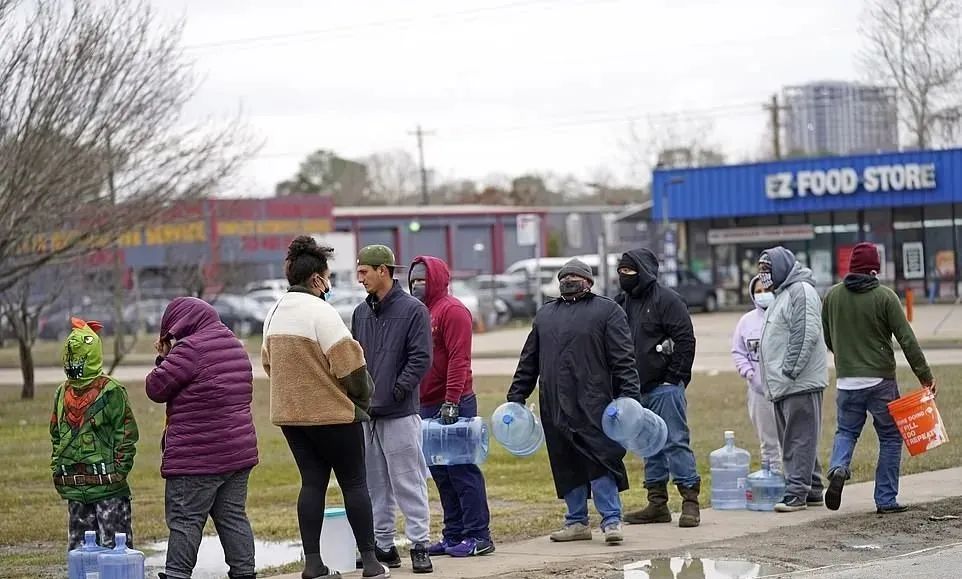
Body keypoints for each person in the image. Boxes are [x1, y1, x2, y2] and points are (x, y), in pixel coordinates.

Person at [262, 236, 388, 579]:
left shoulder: (272, 313)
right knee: (354, 483)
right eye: (327, 276)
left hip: (291, 417)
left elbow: (268, 364)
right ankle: (372, 563)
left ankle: (313, 564)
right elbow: (352, 368)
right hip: (332, 416)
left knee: (312, 484)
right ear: (317, 278)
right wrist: (361, 399)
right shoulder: (322, 311)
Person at [507, 258, 640, 545]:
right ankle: (576, 521)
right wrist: (516, 395)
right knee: (565, 461)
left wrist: (629, 396)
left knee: (600, 459)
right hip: (554, 403)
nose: (569, 280)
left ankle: (611, 520)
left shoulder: (607, 311)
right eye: (565, 276)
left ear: (589, 282)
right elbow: (529, 360)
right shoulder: (545, 315)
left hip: (595, 402)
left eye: (576, 276)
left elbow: (623, 359)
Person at [146, 297, 259, 579]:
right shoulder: (234, 344)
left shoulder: (189, 349)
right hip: (237, 453)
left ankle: (176, 575)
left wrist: (164, 356)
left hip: (197, 458)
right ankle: (245, 573)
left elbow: (156, 388)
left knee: (185, 520)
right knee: (233, 517)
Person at [822, 242, 936, 514]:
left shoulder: (832, 296)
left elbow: (829, 338)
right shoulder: (885, 297)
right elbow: (906, 339)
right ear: (875, 269)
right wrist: (925, 376)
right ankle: (885, 499)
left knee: (846, 431)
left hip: (846, 380)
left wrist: (846, 358)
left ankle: (839, 467)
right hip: (880, 381)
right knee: (890, 436)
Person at [353, 244, 434, 574]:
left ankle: (419, 544)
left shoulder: (414, 310)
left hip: (400, 412)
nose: (360, 279)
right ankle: (383, 546)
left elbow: (420, 358)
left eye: (364, 272)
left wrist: (397, 390)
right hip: (368, 415)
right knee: (376, 485)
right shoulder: (360, 313)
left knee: (408, 481)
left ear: (383, 270)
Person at [409, 255, 494, 558]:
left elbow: (459, 359)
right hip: (426, 405)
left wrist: (452, 400)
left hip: (453, 404)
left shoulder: (452, 311)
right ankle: (453, 534)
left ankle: (478, 535)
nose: (417, 284)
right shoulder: (419, 312)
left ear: (437, 280)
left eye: (423, 279)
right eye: (414, 279)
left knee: (462, 471)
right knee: (441, 474)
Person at [615, 249, 700, 528]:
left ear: (644, 271)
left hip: (665, 388)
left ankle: (689, 501)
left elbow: (685, 340)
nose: (623, 276)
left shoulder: (668, 300)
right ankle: (657, 503)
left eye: (629, 271)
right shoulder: (621, 303)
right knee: (647, 444)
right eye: (621, 271)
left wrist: (674, 378)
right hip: (634, 390)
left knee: (675, 441)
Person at [51, 318, 138, 550]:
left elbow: (126, 434)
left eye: (77, 358)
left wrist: (118, 472)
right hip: (75, 488)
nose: (72, 363)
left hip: (109, 488)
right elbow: (56, 434)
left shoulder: (111, 391)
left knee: (115, 551)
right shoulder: (62, 393)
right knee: (81, 550)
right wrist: (58, 467)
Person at [756, 246, 828, 513]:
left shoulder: (801, 292)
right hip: (783, 384)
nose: (763, 275)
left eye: (767, 269)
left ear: (781, 268)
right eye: (761, 270)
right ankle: (813, 487)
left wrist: (789, 370)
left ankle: (796, 492)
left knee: (798, 438)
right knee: (798, 437)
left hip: (798, 382)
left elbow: (805, 331)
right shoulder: (782, 295)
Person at [731, 276, 782, 472]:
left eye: (766, 290)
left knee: (789, 438)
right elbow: (738, 351)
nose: (762, 295)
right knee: (767, 441)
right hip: (758, 391)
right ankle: (773, 478)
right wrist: (748, 372)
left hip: (785, 390)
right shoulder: (747, 322)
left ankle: (795, 482)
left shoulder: (783, 316)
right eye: (758, 292)